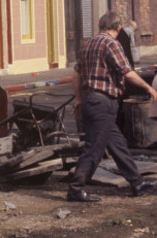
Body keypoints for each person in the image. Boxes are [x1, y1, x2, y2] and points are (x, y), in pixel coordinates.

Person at [67, 11, 157, 202]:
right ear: (118, 28)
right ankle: (76, 188)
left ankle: (137, 183)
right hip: (103, 102)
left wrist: (79, 99)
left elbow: (76, 74)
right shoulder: (111, 43)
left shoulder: (87, 44)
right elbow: (127, 72)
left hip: (91, 101)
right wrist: (149, 88)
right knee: (94, 148)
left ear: (100, 26)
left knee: (118, 145)